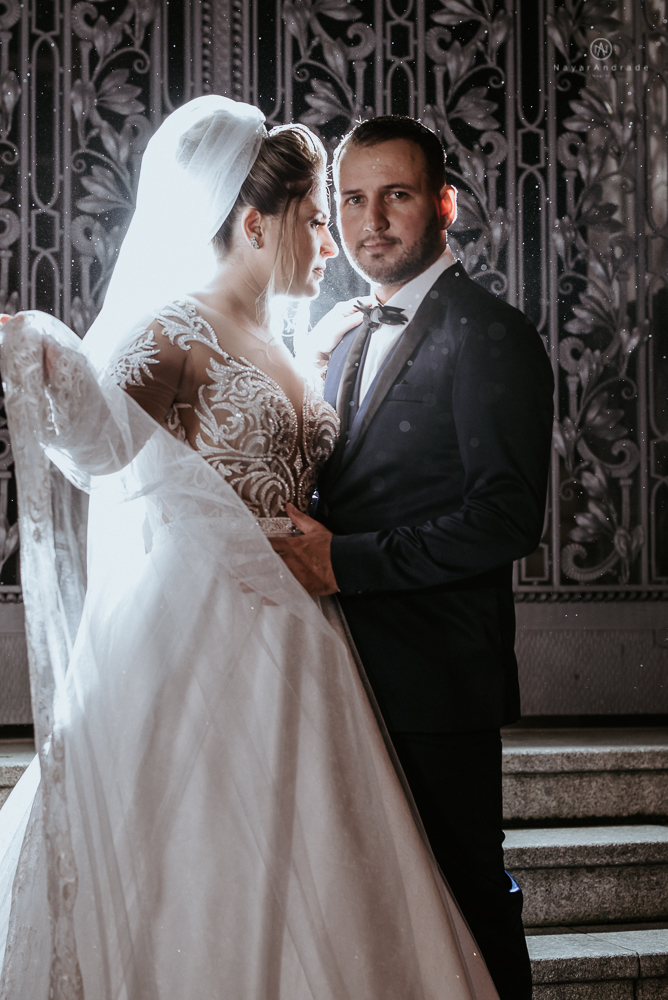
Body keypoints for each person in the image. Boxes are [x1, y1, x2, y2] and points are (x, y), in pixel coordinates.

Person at [0, 97, 499, 998]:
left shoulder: (302, 341)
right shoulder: (173, 332)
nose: (332, 241)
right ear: (254, 223)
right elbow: (101, 448)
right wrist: (51, 362)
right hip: (194, 622)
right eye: (317, 219)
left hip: (305, 628)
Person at [270, 115, 555, 1000]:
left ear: (445, 206)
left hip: (438, 678)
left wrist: (344, 562)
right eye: (351, 200)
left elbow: (507, 518)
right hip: (343, 672)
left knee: (467, 889)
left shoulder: (490, 333)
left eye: (396, 195)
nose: (371, 220)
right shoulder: (342, 335)